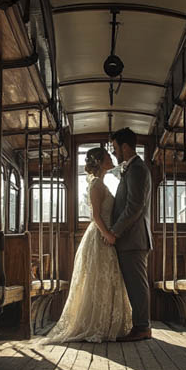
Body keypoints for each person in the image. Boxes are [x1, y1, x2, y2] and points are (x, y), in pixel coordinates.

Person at [39, 147, 132, 343]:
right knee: (98, 279)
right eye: (107, 156)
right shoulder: (96, 185)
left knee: (105, 279)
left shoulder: (102, 183)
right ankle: (95, 324)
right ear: (99, 161)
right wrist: (108, 234)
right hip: (99, 236)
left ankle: (106, 323)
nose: (111, 157)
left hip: (105, 236)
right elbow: (96, 216)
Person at [109, 127, 153, 341]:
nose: (113, 153)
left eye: (115, 148)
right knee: (135, 285)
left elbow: (134, 206)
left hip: (134, 239)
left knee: (137, 285)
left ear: (125, 147)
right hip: (131, 239)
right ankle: (140, 326)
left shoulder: (137, 169)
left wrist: (115, 232)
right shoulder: (131, 168)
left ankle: (142, 327)